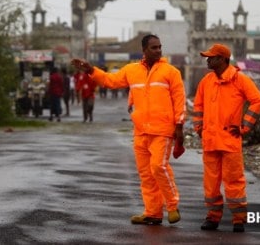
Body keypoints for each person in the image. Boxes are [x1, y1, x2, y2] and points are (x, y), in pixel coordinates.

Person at [71, 34, 185, 226]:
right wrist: (90, 69)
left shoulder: (171, 72)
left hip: (163, 130)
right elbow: (110, 81)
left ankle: (172, 206)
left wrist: (179, 126)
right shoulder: (131, 70)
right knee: (146, 174)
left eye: (159, 47)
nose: (158, 50)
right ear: (144, 50)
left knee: (159, 167)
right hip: (141, 131)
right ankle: (153, 213)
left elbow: (180, 102)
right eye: (153, 48)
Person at [193, 43, 260, 233]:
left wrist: (244, 127)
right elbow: (198, 105)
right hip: (210, 141)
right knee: (211, 182)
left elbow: (258, 100)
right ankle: (212, 217)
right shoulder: (206, 81)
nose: (208, 60)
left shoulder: (239, 80)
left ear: (223, 59)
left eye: (212, 57)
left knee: (234, 180)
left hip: (230, 140)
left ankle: (238, 219)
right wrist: (199, 127)